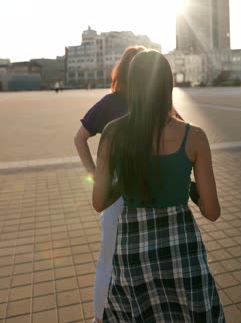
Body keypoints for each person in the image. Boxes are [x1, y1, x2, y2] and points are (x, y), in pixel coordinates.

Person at [93, 50, 225, 322]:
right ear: (169, 85)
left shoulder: (112, 134)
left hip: (133, 251)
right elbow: (212, 211)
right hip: (181, 251)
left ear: (132, 85)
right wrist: (190, 190)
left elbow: (99, 202)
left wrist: (126, 179)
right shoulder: (194, 136)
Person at [74, 45, 146, 323]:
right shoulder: (117, 102)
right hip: (127, 194)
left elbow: (79, 138)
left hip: (125, 195)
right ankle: (104, 315)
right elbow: (79, 137)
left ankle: (108, 314)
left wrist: (96, 175)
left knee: (113, 257)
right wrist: (95, 175)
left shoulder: (126, 102)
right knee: (118, 256)